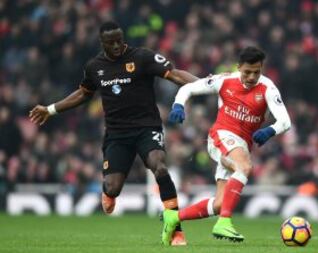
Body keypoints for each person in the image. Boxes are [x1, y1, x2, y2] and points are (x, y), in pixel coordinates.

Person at [29, 21, 199, 246]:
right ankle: (108, 193)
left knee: (159, 165)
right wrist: (51, 109)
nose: (117, 45)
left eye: (120, 40)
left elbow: (175, 74)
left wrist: (210, 84)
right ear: (103, 43)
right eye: (111, 42)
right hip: (117, 134)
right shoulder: (94, 67)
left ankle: (176, 229)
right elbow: (83, 94)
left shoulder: (142, 57)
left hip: (147, 127)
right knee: (112, 187)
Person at [162, 46, 291, 244]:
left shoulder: (268, 88)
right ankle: (224, 222)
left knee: (220, 204)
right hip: (220, 136)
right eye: (247, 72)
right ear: (239, 67)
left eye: (256, 72)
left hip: (241, 145)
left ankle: (173, 218)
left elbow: (285, 121)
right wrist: (178, 105)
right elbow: (187, 88)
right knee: (244, 166)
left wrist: (269, 131)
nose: (251, 77)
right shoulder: (225, 81)